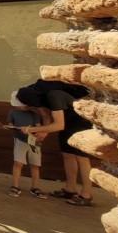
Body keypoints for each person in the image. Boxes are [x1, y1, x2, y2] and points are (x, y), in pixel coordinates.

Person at [15, 78, 94, 206]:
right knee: (67, 155)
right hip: (69, 123)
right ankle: (70, 188)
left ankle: (86, 194)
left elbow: (58, 125)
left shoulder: (54, 95)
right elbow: (47, 117)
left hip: (81, 123)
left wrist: (31, 129)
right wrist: (44, 131)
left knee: (82, 158)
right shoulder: (42, 96)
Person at [0, 90, 47, 198]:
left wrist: (32, 131)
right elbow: (10, 125)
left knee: (35, 165)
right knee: (18, 163)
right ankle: (15, 185)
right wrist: (2, 126)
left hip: (34, 142)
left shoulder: (34, 114)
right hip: (20, 139)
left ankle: (35, 187)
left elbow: (38, 126)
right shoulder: (13, 112)